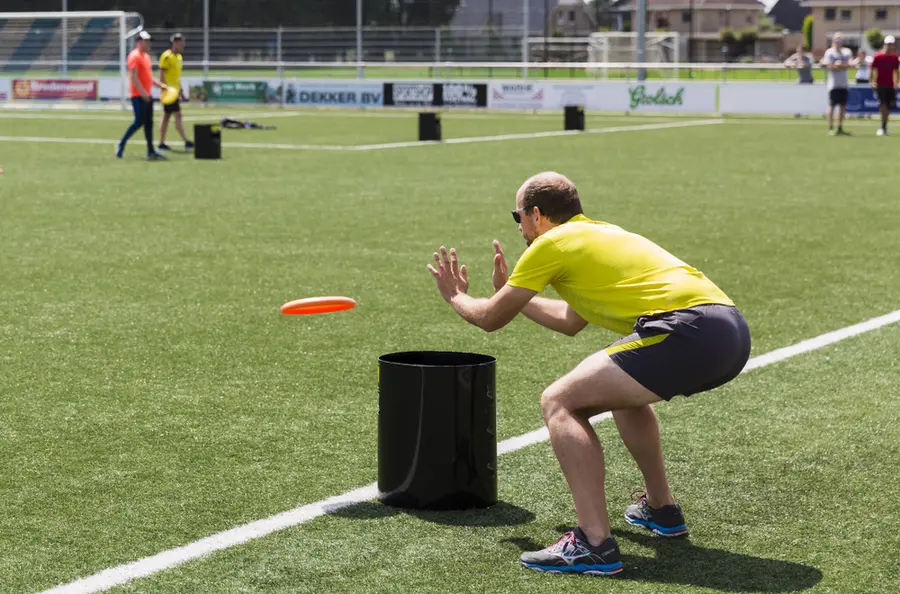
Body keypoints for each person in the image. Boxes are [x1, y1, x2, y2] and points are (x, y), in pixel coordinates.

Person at [427, 172, 751, 576]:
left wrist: (455, 295)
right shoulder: (597, 235)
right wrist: (515, 292)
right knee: (619, 393)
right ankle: (661, 509)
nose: (521, 227)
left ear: (537, 214)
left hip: (689, 330)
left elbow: (491, 319)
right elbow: (569, 320)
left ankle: (594, 543)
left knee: (558, 400)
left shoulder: (550, 244)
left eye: (518, 217)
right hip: (728, 330)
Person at [116, 31, 168, 160]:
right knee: (139, 122)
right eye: (146, 41)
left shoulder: (146, 57)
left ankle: (151, 151)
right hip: (138, 95)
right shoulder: (134, 56)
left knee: (149, 123)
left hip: (146, 95)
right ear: (138, 42)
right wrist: (143, 93)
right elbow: (133, 77)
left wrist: (160, 85)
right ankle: (121, 143)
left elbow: (148, 78)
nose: (149, 44)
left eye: (149, 41)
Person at [158, 33, 194, 151]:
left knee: (166, 117)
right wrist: (164, 89)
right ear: (174, 43)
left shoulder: (179, 57)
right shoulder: (167, 56)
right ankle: (186, 141)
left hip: (175, 92)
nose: (183, 45)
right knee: (176, 115)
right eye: (180, 43)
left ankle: (162, 143)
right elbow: (161, 74)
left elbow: (177, 77)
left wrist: (181, 91)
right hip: (169, 93)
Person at [820, 33, 853, 135]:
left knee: (843, 107)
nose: (838, 43)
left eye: (840, 41)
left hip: (844, 83)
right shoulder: (830, 52)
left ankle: (840, 127)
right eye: (836, 41)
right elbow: (828, 66)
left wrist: (839, 66)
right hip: (833, 84)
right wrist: (838, 66)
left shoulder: (847, 52)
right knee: (832, 105)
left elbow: (850, 64)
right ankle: (831, 127)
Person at [871, 35, 899, 136]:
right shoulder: (878, 57)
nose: (890, 46)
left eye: (891, 44)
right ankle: (883, 127)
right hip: (880, 85)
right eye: (888, 44)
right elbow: (873, 70)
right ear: (885, 44)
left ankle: (884, 126)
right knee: (883, 106)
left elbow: (896, 71)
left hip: (890, 85)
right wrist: (872, 81)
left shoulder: (894, 58)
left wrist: (896, 82)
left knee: (889, 106)